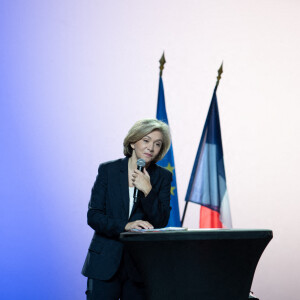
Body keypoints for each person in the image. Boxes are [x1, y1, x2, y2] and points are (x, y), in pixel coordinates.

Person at [82, 119, 173, 300]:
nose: (151, 148)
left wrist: (148, 190)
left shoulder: (163, 177)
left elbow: (161, 221)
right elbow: (94, 216)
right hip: (105, 262)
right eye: (146, 140)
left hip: (140, 266)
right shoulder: (108, 170)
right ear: (133, 142)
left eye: (157, 144)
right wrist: (126, 225)